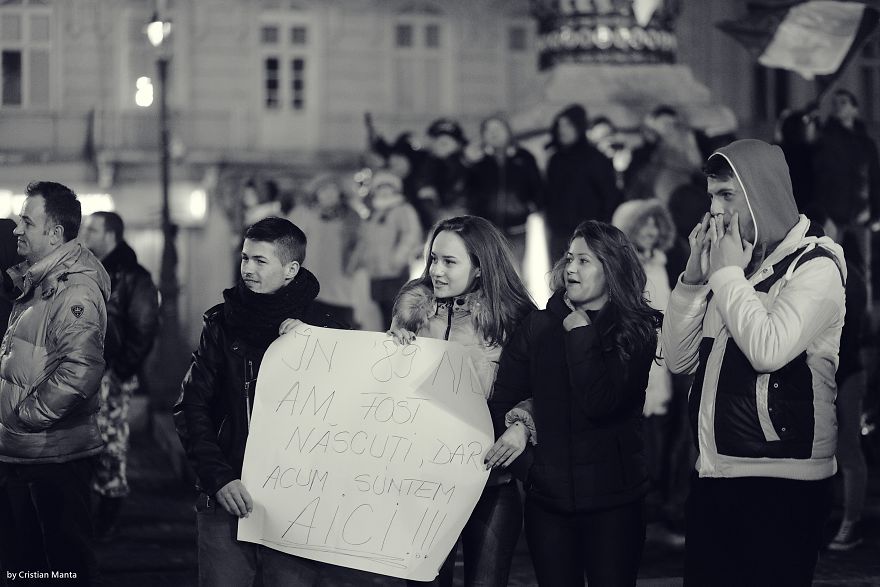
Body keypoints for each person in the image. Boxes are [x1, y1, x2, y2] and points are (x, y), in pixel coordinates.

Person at [662, 139, 846, 586]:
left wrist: (726, 275)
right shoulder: (734, 263)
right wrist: (693, 279)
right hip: (714, 472)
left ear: (761, 194)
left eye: (727, 195)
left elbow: (769, 349)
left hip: (781, 480)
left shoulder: (816, 264)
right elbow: (678, 358)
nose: (715, 211)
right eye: (711, 197)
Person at [485, 220, 661, 586]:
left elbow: (602, 402)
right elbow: (502, 400)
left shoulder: (634, 330)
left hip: (615, 500)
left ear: (611, 269)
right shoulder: (537, 327)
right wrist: (532, 471)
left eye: (584, 261)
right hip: (549, 502)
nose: (571, 269)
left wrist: (580, 332)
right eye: (568, 259)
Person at [174, 217, 328, 587]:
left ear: (291, 269)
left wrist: (313, 344)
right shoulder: (220, 323)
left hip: (298, 500)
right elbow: (191, 406)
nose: (247, 269)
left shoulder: (327, 327)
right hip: (230, 494)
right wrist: (219, 477)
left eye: (260, 261)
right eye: (245, 258)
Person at [388, 215, 536, 587]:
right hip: (424, 482)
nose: (436, 270)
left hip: (492, 482)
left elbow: (545, 388)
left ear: (481, 268)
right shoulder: (412, 313)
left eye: (449, 262)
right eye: (433, 258)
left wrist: (522, 425)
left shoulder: (515, 320)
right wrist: (390, 350)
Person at [0, 181, 110, 585]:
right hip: (28, 454)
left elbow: (80, 370)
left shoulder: (73, 287)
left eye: (27, 222)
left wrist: (22, 417)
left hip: (53, 457)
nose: (17, 230)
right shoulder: (40, 280)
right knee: (27, 567)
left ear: (54, 233)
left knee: (64, 568)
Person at [82, 211, 160, 540]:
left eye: (94, 229)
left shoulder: (133, 275)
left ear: (111, 234)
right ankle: (93, 511)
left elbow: (144, 328)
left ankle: (109, 510)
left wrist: (120, 370)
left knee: (110, 440)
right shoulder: (93, 270)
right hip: (90, 372)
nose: (87, 233)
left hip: (111, 373)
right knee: (92, 440)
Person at [464, 114, 544, 267]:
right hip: (486, 229)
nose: (494, 133)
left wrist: (529, 207)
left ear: (508, 131)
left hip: (516, 228)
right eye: (488, 130)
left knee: (515, 273)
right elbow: (469, 192)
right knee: (487, 272)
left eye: (498, 128)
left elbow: (537, 188)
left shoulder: (524, 158)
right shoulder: (478, 162)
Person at [545, 104, 622, 259]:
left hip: (589, 234)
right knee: (559, 277)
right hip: (559, 233)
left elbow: (610, 197)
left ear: (578, 127)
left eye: (568, 125)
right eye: (560, 125)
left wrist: (600, 229)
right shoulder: (555, 159)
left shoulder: (596, 159)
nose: (563, 130)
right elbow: (549, 195)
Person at [351, 170, 423, 329]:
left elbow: (411, 235)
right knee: (381, 309)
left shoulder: (403, 209)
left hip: (394, 270)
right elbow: (366, 239)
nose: (384, 190)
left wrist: (398, 258)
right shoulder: (374, 213)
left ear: (395, 189)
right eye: (380, 187)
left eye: (388, 186)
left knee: (396, 309)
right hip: (376, 271)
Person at [289, 174, 361, 329]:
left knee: (340, 330)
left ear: (340, 193)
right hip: (311, 284)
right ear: (316, 194)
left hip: (341, 286)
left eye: (332, 189)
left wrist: (353, 265)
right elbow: (290, 241)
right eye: (323, 190)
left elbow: (360, 245)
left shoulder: (352, 217)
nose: (328, 194)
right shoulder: (304, 214)